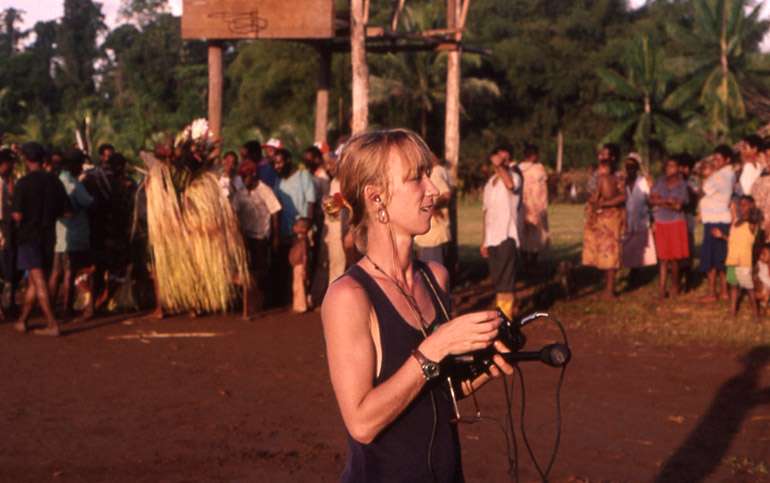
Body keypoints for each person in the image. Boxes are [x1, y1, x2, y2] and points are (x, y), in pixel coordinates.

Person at [322, 129, 513, 482]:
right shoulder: (349, 297)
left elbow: (436, 393)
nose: (434, 190)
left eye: (429, 175)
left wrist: (487, 366)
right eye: (416, 179)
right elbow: (362, 423)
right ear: (376, 198)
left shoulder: (435, 278)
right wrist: (437, 347)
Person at [12, 142, 72, 335]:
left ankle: (52, 323)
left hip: (29, 236)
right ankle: (23, 320)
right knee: (35, 280)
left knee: (38, 279)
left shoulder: (23, 183)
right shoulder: (55, 181)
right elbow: (67, 212)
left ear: (26, 160)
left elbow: (17, 215)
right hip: (49, 236)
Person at [49, 149, 95, 319]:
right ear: (74, 165)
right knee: (69, 272)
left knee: (56, 272)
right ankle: (66, 309)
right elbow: (89, 202)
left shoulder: (58, 180)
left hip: (59, 233)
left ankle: (50, 307)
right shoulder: (74, 184)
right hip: (74, 234)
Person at [232, 162, 281, 315]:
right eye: (242, 177)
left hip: (260, 236)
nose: (244, 179)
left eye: (246, 176)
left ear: (253, 175)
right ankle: (248, 301)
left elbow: (275, 212)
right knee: (246, 269)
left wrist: (275, 236)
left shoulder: (264, 190)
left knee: (260, 269)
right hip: (245, 237)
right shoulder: (240, 193)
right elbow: (233, 214)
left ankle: (258, 300)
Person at [481, 145, 522, 319]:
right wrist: (484, 240)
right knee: (498, 280)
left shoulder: (515, 176)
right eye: (498, 159)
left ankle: (506, 317)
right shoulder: (490, 183)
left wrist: (501, 167)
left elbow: (510, 185)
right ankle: (505, 311)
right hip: (492, 237)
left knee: (506, 280)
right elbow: (485, 212)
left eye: (504, 159)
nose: (500, 162)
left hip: (507, 234)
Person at [273, 148, 316, 306]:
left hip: (302, 229)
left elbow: (311, 201)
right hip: (285, 230)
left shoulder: (303, 176)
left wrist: (306, 224)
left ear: (288, 161)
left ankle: (302, 302)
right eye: (275, 163)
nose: (277, 166)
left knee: (301, 267)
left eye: (279, 162)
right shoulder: (279, 181)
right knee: (288, 265)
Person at [582, 143, 626, 298]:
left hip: (611, 217)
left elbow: (622, 196)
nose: (602, 156)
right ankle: (605, 286)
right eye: (600, 153)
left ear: (613, 157)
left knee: (610, 252)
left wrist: (605, 204)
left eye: (605, 154)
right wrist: (593, 205)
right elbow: (590, 194)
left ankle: (610, 289)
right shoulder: (595, 174)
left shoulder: (619, 175)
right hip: (596, 217)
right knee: (599, 252)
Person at [650, 157, 690, 298]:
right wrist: (667, 201)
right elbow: (651, 199)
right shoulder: (660, 181)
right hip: (661, 222)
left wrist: (660, 201)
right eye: (667, 166)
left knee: (674, 259)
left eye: (672, 166)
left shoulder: (683, 185)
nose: (669, 168)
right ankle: (661, 289)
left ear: (678, 168)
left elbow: (678, 206)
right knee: (663, 258)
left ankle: (674, 286)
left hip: (675, 223)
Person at [699, 144, 736, 302]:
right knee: (720, 257)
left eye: (718, 159)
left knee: (714, 259)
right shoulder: (729, 174)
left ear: (727, 160)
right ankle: (724, 292)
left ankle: (713, 292)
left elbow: (704, 189)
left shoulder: (720, 175)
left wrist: (709, 174)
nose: (715, 162)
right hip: (718, 219)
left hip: (716, 220)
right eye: (714, 159)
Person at [718, 196, 760, 319]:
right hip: (732, 260)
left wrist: (751, 211)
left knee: (749, 288)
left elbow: (756, 219)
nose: (742, 207)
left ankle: (756, 314)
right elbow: (731, 240)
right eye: (740, 204)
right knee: (734, 286)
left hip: (743, 261)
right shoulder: (736, 223)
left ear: (751, 206)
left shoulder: (752, 224)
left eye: (745, 204)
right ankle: (732, 312)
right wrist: (722, 236)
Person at [621, 153, 656, 286]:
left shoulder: (643, 182)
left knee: (639, 249)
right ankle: (633, 271)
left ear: (636, 168)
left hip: (641, 219)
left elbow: (650, 200)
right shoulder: (622, 183)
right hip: (627, 220)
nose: (629, 170)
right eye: (627, 167)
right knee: (628, 247)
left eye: (632, 167)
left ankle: (636, 273)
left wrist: (652, 219)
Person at [414, 156, 452, 266]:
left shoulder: (436, 171)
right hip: (430, 236)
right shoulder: (439, 171)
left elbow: (446, 195)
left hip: (433, 237)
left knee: (433, 276)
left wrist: (432, 207)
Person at [518, 143, 550, 265]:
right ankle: (533, 261)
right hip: (537, 205)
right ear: (533, 156)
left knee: (523, 234)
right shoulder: (539, 169)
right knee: (536, 235)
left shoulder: (518, 168)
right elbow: (543, 189)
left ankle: (524, 260)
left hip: (522, 206)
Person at [0, 149, 17, 313]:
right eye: (10, 163)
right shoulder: (0, 183)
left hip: (4, 230)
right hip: (3, 232)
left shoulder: (4, 182)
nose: (12, 166)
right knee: (6, 270)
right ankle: (6, 305)